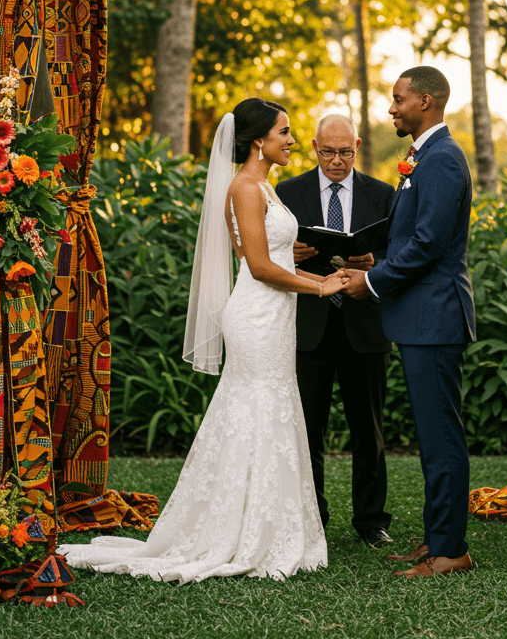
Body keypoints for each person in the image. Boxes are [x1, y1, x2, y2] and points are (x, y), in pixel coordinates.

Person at [60, 98, 347, 584]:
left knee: (272, 407)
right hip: (256, 316)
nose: (292, 140)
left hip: (275, 314)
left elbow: (264, 255)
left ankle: (271, 526)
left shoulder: (265, 187)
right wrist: (321, 285)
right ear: (259, 140)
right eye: (284, 132)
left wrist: (316, 271)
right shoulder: (244, 187)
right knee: (256, 407)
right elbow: (257, 268)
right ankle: (238, 535)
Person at [342, 67, 477, 579]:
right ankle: (437, 541)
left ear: (425, 101)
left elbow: (428, 245)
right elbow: (413, 239)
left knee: (441, 438)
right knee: (432, 434)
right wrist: (373, 263)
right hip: (422, 317)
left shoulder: (441, 159)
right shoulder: (426, 156)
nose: (392, 107)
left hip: (435, 318)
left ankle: (450, 552)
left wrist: (372, 285)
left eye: (398, 99)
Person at [277, 115, 395, 545]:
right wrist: (288, 250)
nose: (336, 161)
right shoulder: (288, 191)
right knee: (307, 429)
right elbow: (266, 250)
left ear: (358, 147)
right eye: (328, 152)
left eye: (345, 152)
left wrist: (374, 265)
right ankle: (313, 519)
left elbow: (396, 251)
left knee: (370, 429)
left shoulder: (382, 194)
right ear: (313, 147)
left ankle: (371, 522)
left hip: (365, 323)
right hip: (310, 324)